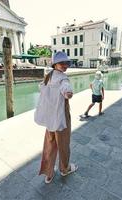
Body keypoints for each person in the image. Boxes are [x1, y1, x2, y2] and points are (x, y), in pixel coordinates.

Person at [34, 51, 78, 184]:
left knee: (49, 144)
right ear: (55, 64)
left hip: (49, 118)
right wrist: (68, 93)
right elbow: (66, 88)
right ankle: (64, 169)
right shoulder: (63, 77)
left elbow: (43, 91)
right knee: (63, 145)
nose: (65, 65)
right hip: (61, 117)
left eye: (66, 63)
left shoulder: (48, 75)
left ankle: (48, 173)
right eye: (62, 63)